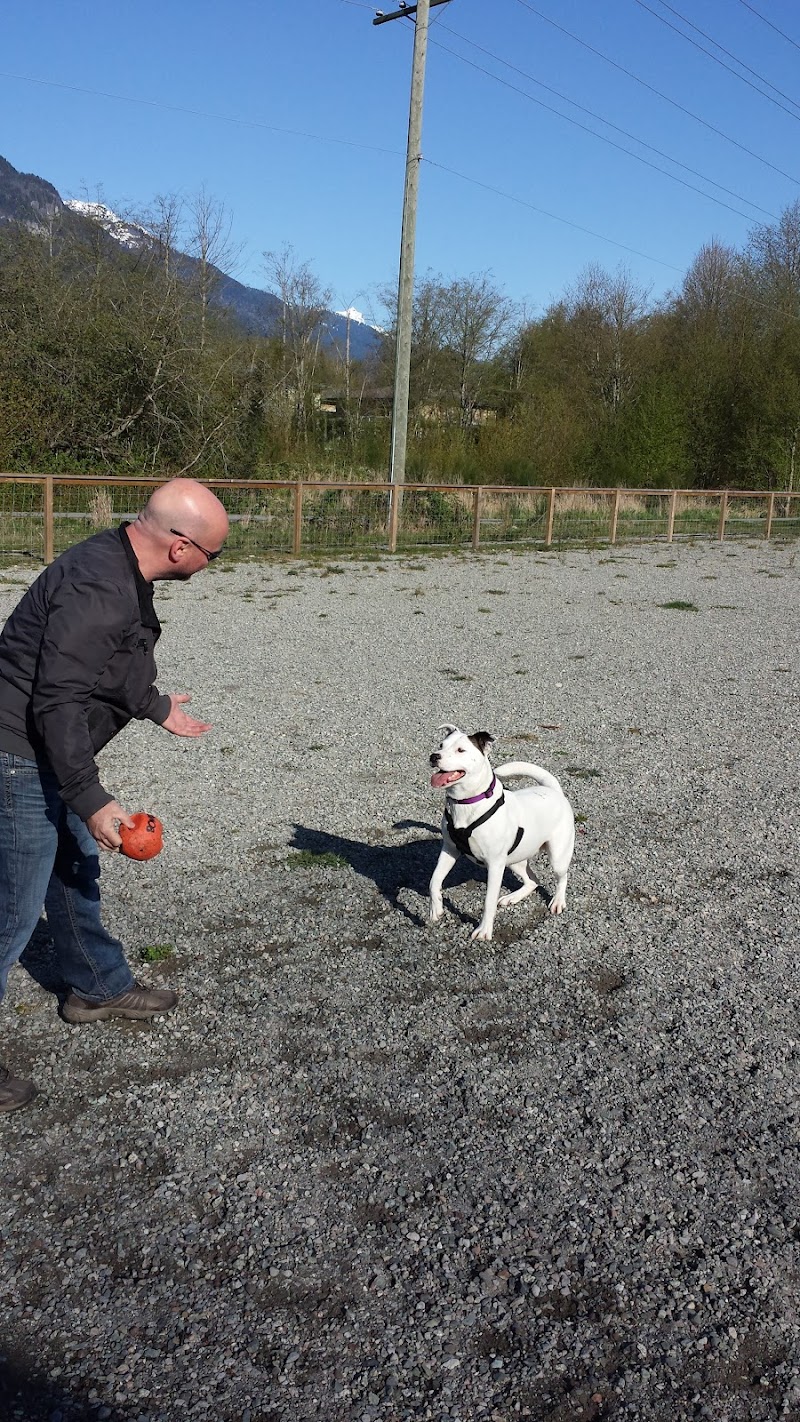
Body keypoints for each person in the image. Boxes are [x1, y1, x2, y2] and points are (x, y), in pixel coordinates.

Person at [0, 477, 229, 1114]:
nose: (211, 566)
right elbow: (58, 699)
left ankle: (95, 987)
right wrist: (91, 796)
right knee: (11, 913)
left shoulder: (120, 563)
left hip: (43, 750)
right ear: (183, 549)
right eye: (216, 554)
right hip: (18, 754)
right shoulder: (102, 586)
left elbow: (105, 661)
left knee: (74, 869)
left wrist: (155, 705)